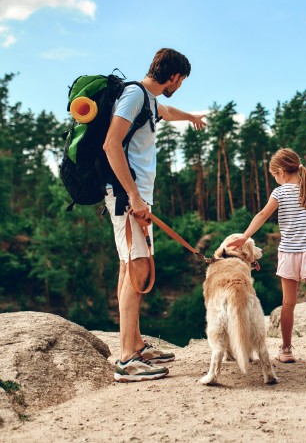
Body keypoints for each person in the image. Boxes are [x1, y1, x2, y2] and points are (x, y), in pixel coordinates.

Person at [103, 48, 206, 382]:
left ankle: (135, 344)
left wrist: (190, 116)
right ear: (174, 76)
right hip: (126, 197)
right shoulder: (134, 95)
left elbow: (167, 110)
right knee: (139, 268)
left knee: (128, 266)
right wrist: (133, 196)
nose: (181, 86)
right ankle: (127, 360)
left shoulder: (147, 99)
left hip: (134, 197)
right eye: (182, 81)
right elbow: (111, 144)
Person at [228, 148, 306, 368]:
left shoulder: (279, 193)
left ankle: (286, 351)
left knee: (288, 303)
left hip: (288, 253)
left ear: (281, 172)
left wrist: (245, 237)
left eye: (274, 176)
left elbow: (261, 215)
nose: (275, 180)